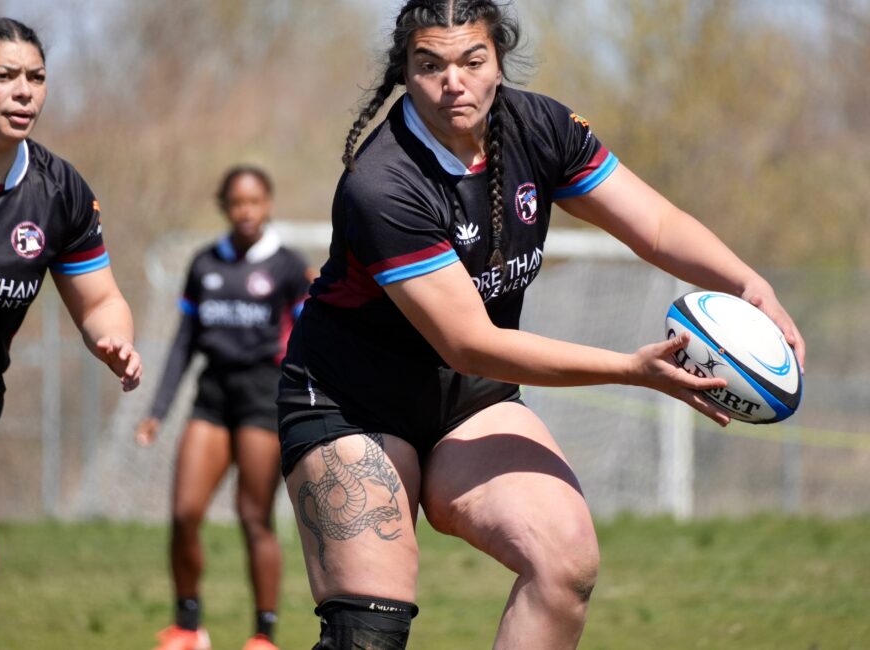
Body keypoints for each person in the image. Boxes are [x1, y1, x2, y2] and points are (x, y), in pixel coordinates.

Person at [275, 1, 807, 649]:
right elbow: (471, 341)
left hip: (468, 398)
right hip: (350, 400)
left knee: (565, 560)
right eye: (430, 65)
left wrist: (750, 284)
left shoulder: (540, 128)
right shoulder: (384, 184)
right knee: (368, 632)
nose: (454, 83)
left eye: (473, 61)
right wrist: (633, 371)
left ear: (499, 61)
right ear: (404, 73)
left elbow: (658, 227)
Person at [0, 17, 142, 650]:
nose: (23, 91)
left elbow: (101, 299)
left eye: (36, 78)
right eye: (3, 76)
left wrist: (114, 340)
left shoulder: (58, 191)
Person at [135, 165, 311, 650]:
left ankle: (263, 635)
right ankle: (188, 627)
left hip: (263, 398)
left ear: (268, 205)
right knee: (184, 511)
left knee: (253, 516)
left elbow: (313, 340)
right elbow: (183, 342)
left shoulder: (288, 267)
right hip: (211, 398)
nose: (246, 211)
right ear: (225, 207)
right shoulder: (205, 264)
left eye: (255, 202)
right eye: (237, 202)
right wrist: (159, 409)